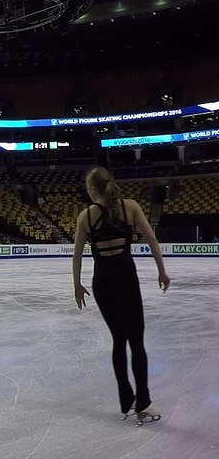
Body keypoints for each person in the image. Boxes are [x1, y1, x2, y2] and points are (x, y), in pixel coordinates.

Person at [72, 166, 169, 426]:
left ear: (92, 189)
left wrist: (77, 284)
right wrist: (162, 271)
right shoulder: (131, 207)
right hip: (126, 279)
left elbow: (78, 254)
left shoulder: (86, 216)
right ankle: (143, 404)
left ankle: (126, 400)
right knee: (136, 341)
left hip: (103, 282)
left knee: (119, 340)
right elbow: (152, 240)